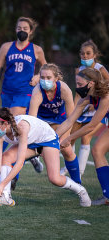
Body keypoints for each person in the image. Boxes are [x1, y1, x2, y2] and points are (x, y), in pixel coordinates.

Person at [0, 17, 47, 182]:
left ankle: (1, 167)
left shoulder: (36, 50)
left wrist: (37, 77)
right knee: (8, 127)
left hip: (24, 93)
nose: (21, 30)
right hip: (7, 92)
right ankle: (30, 154)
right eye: (19, 27)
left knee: (11, 125)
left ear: (31, 31)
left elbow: (46, 67)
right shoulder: (6, 47)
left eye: (25, 28)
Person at [0, 107, 91, 207]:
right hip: (31, 142)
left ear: (5, 123)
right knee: (5, 157)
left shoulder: (21, 127)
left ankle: (81, 190)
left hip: (47, 140)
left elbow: (19, 163)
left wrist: (3, 184)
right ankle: (5, 198)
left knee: (55, 179)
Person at [56, 67, 109, 205]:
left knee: (97, 150)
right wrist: (53, 138)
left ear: (91, 83)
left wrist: (68, 138)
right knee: (97, 151)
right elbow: (69, 121)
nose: (77, 88)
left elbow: (91, 126)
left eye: (80, 84)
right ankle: (107, 196)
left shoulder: (105, 97)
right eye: (76, 84)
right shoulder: (87, 98)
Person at [61, 40, 109, 177]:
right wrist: (74, 112)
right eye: (82, 54)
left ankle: (79, 172)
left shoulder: (101, 71)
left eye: (88, 53)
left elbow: (106, 90)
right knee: (90, 146)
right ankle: (71, 166)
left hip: (100, 108)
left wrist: (96, 102)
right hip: (91, 106)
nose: (85, 56)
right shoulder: (80, 72)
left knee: (87, 136)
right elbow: (78, 98)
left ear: (95, 55)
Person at [28, 63, 81, 184]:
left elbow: (71, 118)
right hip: (40, 122)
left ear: (56, 79)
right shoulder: (37, 92)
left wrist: (63, 139)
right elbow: (32, 121)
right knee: (23, 148)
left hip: (59, 121)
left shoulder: (64, 89)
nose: (44, 80)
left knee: (67, 149)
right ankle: (11, 181)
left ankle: (78, 183)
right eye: (42, 77)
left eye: (48, 78)